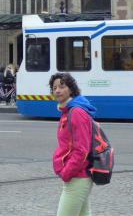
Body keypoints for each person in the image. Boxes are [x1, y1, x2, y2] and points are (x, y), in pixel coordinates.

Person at [50, 72, 96, 216]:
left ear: (71, 89)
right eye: (54, 88)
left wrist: (67, 173)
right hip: (79, 175)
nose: (57, 90)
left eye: (62, 86)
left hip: (78, 177)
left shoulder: (76, 112)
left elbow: (82, 150)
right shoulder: (68, 111)